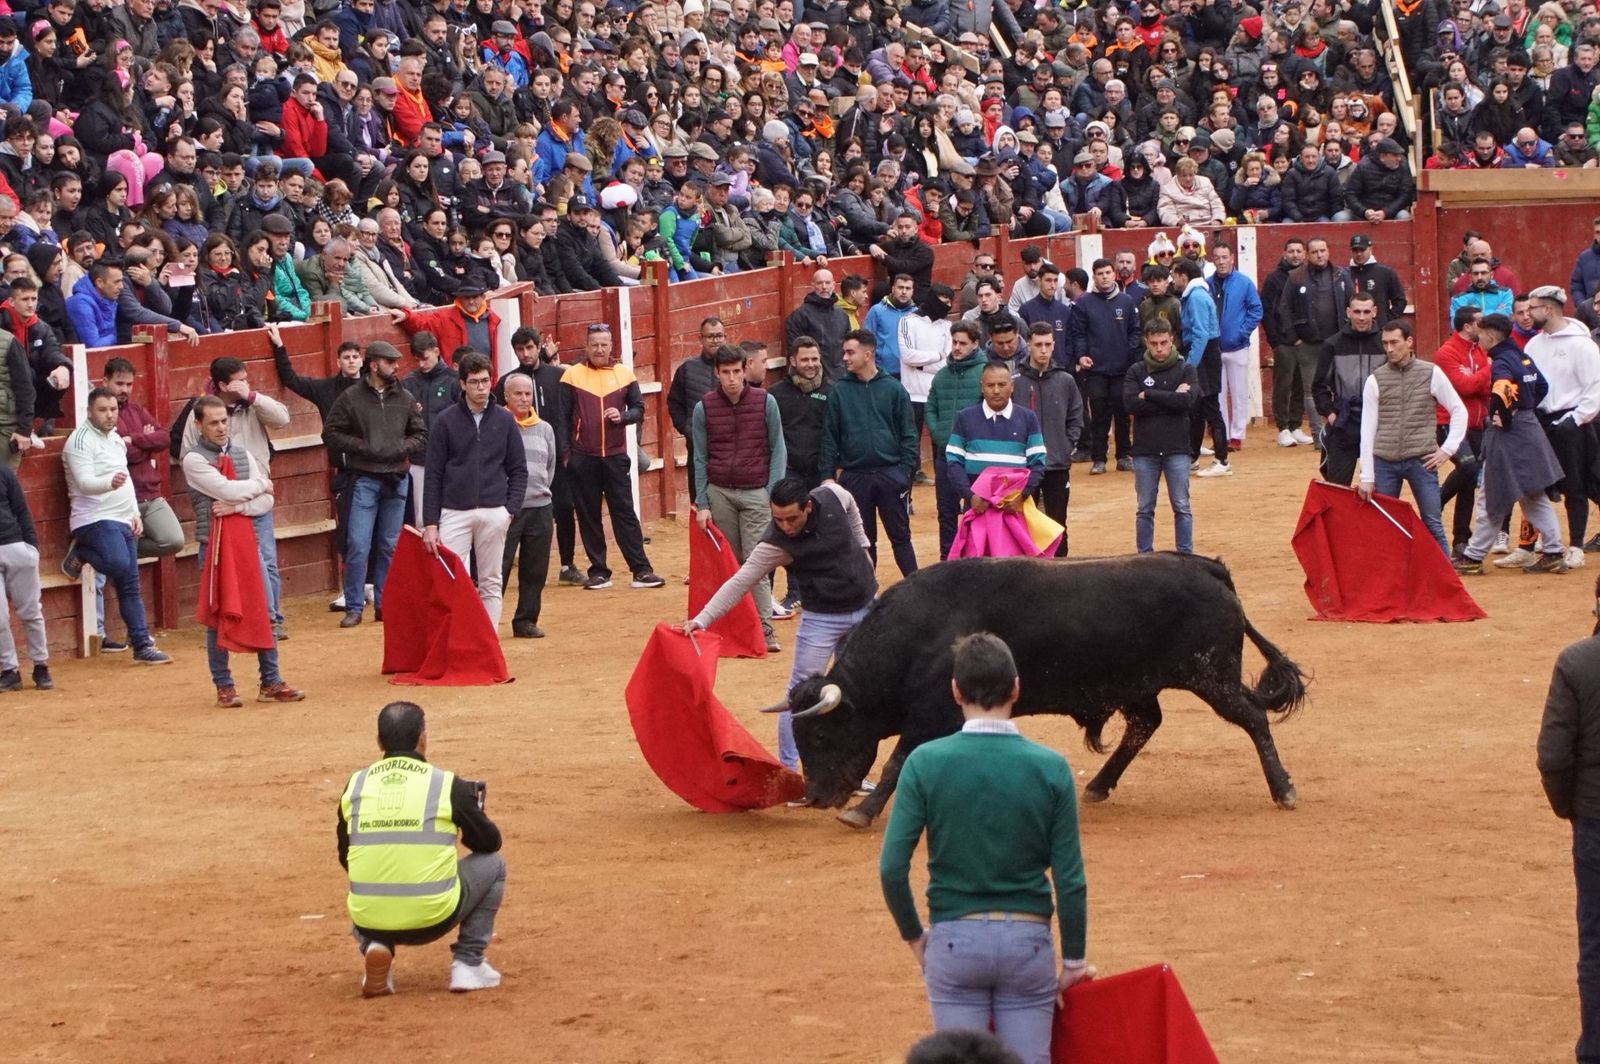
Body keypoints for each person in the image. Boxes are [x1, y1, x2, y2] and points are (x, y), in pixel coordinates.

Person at [878, 632, 1090, 1064]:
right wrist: (1073, 960)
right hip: (1027, 946)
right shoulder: (1051, 768)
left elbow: (891, 869)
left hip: (955, 942)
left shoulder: (924, 762)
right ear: (1016, 688)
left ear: (955, 691)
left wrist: (917, 939)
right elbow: (1069, 880)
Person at [679, 476, 878, 772]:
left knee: (859, 694)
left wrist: (861, 542)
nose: (785, 526)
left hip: (864, 611)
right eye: (778, 519)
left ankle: (852, 773)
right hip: (821, 619)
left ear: (808, 506)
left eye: (792, 518)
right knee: (798, 694)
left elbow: (849, 501)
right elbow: (740, 581)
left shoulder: (833, 496)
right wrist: (702, 618)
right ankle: (789, 770)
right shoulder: (776, 544)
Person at [339, 700, 506, 997]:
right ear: (423, 738)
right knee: (494, 865)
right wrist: (469, 816)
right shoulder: (445, 784)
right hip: (434, 917)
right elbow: (490, 843)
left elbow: (346, 855)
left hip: (369, 918)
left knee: (369, 874)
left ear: (379, 741)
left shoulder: (356, 785)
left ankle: (375, 945)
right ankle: (468, 963)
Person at [182, 395, 305, 707]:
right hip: (214, 547)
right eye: (213, 422)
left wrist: (246, 500)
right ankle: (224, 686)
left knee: (265, 610)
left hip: (247, 544)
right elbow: (226, 490)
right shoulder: (194, 460)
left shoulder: (242, 454)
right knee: (218, 617)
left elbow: (267, 502)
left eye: (224, 421)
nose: (222, 427)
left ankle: (271, 681)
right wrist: (259, 486)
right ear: (199, 426)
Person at [179, 356, 293, 639]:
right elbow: (188, 457)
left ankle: (272, 618)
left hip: (251, 500)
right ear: (222, 384)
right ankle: (226, 622)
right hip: (219, 501)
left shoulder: (252, 405)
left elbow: (283, 419)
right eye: (239, 380)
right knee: (217, 564)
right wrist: (260, 485)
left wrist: (252, 396)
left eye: (246, 378)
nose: (245, 383)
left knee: (265, 559)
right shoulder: (200, 414)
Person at [61, 387, 172, 665]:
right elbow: (84, 482)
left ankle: (142, 644)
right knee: (119, 565)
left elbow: (128, 483)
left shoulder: (116, 441)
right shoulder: (79, 440)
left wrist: (134, 513)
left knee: (130, 586)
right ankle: (83, 553)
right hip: (94, 518)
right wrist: (108, 484)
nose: (109, 415)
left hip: (122, 518)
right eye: (102, 410)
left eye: (113, 410)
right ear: (89, 411)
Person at [322, 341, 428, 628]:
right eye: (390, 362)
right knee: (358, 544)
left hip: (395, 478)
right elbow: (331, 433)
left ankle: (384, 603)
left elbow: (420, 434)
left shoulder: (404, 397)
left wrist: (399, 448)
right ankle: (355, 606)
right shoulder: (351, 397)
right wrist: (363, 447)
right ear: (374, 365)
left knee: (388, 546)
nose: (396, 367)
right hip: (365, 478)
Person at [1453, 314, 1568, 574]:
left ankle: (1472, 557)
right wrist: (1523, 408)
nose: (1478, 338)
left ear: (1491, 336)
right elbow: (1542, 385)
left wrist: (1502, 415)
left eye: (1481, 334)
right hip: (1529, 430)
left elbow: (1501, 390)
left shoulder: (1501, 361)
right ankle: (1553, 551)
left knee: (1493, 494)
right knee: (1533, 493)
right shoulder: (1521, 356)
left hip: (1508, 436)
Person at [691, 344, 788, 652]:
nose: (732, 378)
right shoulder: (703, 408)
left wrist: (773, 494)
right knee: (729, 566)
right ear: (716, 374)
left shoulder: (765, 402)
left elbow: (778, 450)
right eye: (725, 373)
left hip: (757, 492)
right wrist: (703, 503)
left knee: (754, 565)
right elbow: (700, 458)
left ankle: (764, 629)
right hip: (720, 493)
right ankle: (735, 632)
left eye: (736, 372)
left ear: (745, 370)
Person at [422, 352, 526, 627]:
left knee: (492, 580)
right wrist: (431, 523)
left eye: (485, 381)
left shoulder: (505, 420)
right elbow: (433, 475)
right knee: (449, 579)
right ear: (462, 384)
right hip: (454, 511)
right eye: (474, 382)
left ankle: (487, 644)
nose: (481, 387)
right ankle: (456, 639)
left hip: (494, 511)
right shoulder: (445, 421)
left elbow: (518, 469)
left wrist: (510, 510)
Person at [561, 323, 665, 590]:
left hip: (616, 456)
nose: (599, 349)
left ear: (611, 347)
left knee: (624, 512)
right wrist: (566, 456)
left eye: (603, 344)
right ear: (586, 347)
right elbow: (562, 419)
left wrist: (623, 416)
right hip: (583, 457)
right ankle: (599, 572)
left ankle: (641, 570)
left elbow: (639, 409)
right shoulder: (571, 376)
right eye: (594, 344)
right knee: (588, 514)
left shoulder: (624, 374)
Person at [1356, 319, 1469, 557]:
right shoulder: (1376, 379)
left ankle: (1445, 585)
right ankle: (1391, 582)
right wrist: (1367, 475)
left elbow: (1459, 410)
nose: (1389, 349)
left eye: (1394, 342)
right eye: (1385, 343)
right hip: (1385, 462)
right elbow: (1367, 430)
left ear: (1409, 342)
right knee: (1385, 526)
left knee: (1432, 523)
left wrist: (1447, 450)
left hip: (1421, 460)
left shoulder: (1431, 373)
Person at [269, 326, 363, 610]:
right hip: (346, 472)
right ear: (338, 362)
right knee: (348, 532)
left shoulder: (374, 389)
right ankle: (354, 588)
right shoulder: (326, 389)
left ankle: (369, 586)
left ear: (362, 360)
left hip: (376, 468)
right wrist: (279, 346)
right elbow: (291, 379)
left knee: (377, 532)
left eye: (355, 356)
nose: (350, 360)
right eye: (346, 356)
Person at [820, 329, 919, 577]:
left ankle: (919, 593)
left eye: (850, 352)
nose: (845, 358)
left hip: (889, 475)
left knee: (901, 538)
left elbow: (909, 434)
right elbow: (829, 437)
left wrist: (904, 474)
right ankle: (866, 599)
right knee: (863, 542)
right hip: (855, 477)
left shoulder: (894, 389)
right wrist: (827, 476)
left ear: (868, 354)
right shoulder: (839, 392)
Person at [1525, 285, 1600, 569]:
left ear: (1549, 309)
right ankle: (1547, 541)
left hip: (1573, 423)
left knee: (1577, 485)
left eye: (1533, 307)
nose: (1527, 313)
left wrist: (1575, 420)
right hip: (1542, 421)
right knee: (1538, 483)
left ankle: (1577, 545)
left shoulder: (1582, 345)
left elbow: (1595, 388)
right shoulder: (1533, 345)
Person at [1124, 319, 1198, 553]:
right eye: (1154, 343)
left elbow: (1187, 402)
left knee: (1182, 506)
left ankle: (1185, 556)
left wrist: (1150, 395)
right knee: (1145, 508)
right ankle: (1144, 556)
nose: (1158, 348)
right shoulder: (1136, 370)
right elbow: (1130, 404)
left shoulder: (1186, 369)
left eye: (1163, 343)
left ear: (1171, 340)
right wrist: (1170, 398)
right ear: (1146, 342)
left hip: (1177, 449)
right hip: (1145, 451)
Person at [1011, 322, 1084, 557]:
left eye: (1048, 345)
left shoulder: (1066, 380)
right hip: (1024, 468)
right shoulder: (1015, 382)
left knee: (1058, 523)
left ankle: (1061, 573)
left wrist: (1066, 446)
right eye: (1038, 345)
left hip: (1056, 464)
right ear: (1029, 346)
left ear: (1054, 346)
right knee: (1025, 525)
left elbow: (1076, 416)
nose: (1043, 350)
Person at [499, 372, 558, 639]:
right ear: (506, 397)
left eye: (527, 394)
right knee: (498, 567)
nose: (524, 399)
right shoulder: (498, 427)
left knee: (535, 568)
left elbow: (550, 467)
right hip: (506, 508)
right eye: (518, 394)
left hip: (540, 506)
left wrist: (539, 492)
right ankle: (487, 622)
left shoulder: (545, 428)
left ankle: (526, 620)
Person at [946, 361, 1046, 514]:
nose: (996, 390)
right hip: (976, 508)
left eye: (1002, 384)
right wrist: (970, 496)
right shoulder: (965, 417)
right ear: (982, 386)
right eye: (990, 385)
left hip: (1015, 509)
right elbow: (953, 461)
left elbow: (1038, 462)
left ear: (1011, 386)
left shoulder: (1028, 418)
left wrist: (1022, 496)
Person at [925, 322, 989, 559]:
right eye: (954, 342)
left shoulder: (985, 373)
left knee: (976, 508)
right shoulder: (942, 375)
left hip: (975, 455)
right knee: (946, 510)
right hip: (946, 453)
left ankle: (975, 559)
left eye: (963, 343)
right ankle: (947, 560)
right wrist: (939, 434)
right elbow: (931, 408)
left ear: (975, 343)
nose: (957, 348)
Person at [1070, 257, 1140, 475]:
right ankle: (1099, 458)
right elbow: (1079, 334)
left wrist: (1127, 355)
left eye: (1108, 273)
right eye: (1100, 274)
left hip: (1122, 369)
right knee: (1099, 414)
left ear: (1114, 274)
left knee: (1122, 413)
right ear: (1094, 277)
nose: (1104, 277)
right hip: (1096, 369)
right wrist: (1082, 356)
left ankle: (1124, 456)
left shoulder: (1126, 302)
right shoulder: (1084, 303)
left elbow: (1135, 332)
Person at [1433, 308, 1493, 557]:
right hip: (1450, 424)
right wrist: (1488, 368)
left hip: (1477, 424)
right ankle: (1433, 504)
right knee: (1468, 468)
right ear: (1468, 326)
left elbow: (1483, 389)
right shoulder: (1446, 353)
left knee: (1469, 481)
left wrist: (1479, 378)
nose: (1485, 325)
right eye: (1480, 322)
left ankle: (1461, 539)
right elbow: (1465, 387)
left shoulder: (1478, 351)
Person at [1314, 293, 1388, 486]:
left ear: (1374, 312)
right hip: (1345, 422)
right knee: (1337, 488)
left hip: (1379, 424)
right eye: (1357, 312)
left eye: (1366, 312)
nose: (1361, 317)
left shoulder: (1386, 344)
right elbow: (1319, 386)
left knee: (1379, 489)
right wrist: (1331, 415)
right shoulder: (1333, 344)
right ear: (1348, 312)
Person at [1173, 259, 1230, 477]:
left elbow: (1200, 334)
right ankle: (1193, 457)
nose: (1173, 279)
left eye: (1174, 275)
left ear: (1183, 276)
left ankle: (1222, 460)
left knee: (1209, 407)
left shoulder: (1195, 297)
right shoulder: (1196, 294)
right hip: (1205, 353)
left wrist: (1190, 365)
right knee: (1196, 409)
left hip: (1203, 355)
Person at [1263, 239, 1318, 447]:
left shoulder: (1309, 276)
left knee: (1301, 384)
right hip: (1284, 342)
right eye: (1291, 251)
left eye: (1298, 251)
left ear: (1304, 254)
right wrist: (1275, 340)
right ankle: (1283, 428)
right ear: (1284, 253)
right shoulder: (1274, 279)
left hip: (1306, 341)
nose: (1295, 255)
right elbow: (1267, 312)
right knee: (1283, 385)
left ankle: (1295, 426)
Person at [1208, 244, 1264, 449]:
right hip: (1214, 347)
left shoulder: (1244, 283)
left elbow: (1256, 310)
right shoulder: (1208, 284)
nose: (1221, 261)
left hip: (1237, 346)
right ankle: (1221, 435)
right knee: (1218, 394)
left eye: (1224, 257)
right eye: (1217, 257)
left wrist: (1242, 332)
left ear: (1232, 258)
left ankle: (1237, 436)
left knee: (1239, 393)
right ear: (1213, 260)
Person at [0, 460, 48, 692]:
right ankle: (10, 670)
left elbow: (21, 509)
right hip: (16, 546)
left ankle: (41, 665)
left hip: (16, 546)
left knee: (31, 612)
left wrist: (32, 548)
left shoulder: (3, 472)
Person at [786, 268, 850, 378]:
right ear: (813, 285)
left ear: (834, 285)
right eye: (820, 283)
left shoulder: (843, 315)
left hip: (841, 378)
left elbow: (849, 347)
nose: (824, 287)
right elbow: (795, 351)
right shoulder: (800, 316)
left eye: (827, 282)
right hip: (814, 379)